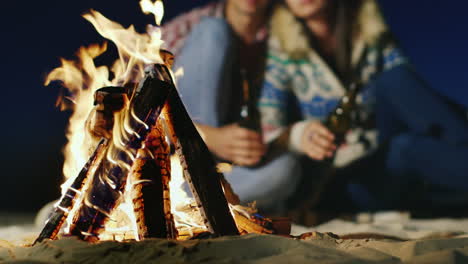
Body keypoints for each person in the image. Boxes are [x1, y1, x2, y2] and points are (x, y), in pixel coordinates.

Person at [259, 0, 468, 215]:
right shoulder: (280, 49)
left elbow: (420, 103)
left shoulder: (372, 35)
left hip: (382, 153)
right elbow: (264, 130)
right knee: (405, 148)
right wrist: (298, 135)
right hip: (334, 181)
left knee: (395, 79)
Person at [165, 0, 306, 213]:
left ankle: (191, 204)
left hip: (232, 173)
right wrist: (207, 137)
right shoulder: (187, 30)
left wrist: (256, 146)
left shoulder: (285, 33)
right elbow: (132, 112)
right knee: (213, 31)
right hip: (175, 157)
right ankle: (188, 194)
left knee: (286, 169)